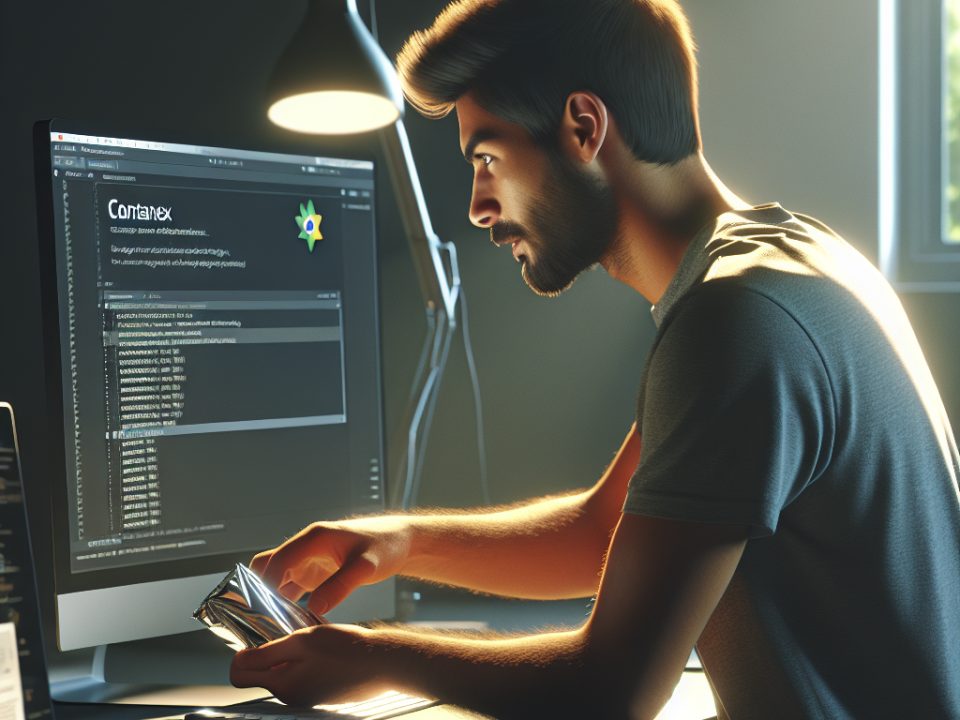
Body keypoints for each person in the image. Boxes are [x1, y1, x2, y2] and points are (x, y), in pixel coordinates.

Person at [230, 0, 960, 717]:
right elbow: (607, 530)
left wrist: (378, 657)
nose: (479, 206)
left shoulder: (736, 322)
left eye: (487, 158)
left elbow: (610, 691)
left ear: (583, 127)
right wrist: (395, 542)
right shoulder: (791, 260)